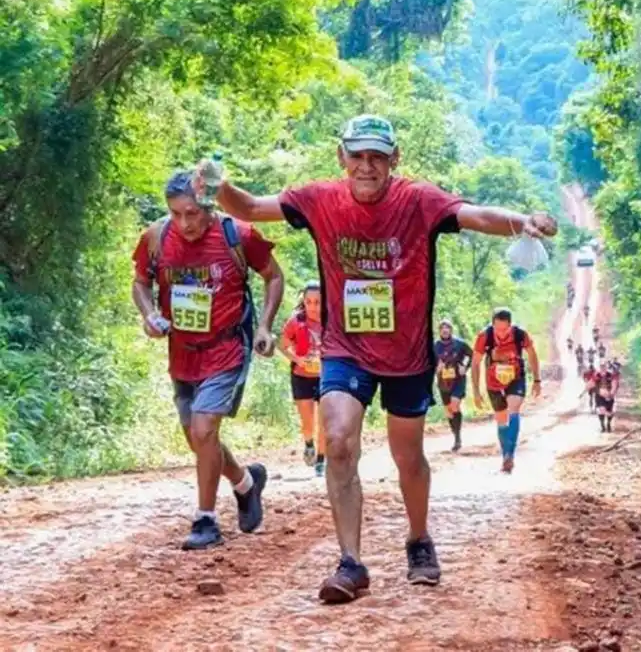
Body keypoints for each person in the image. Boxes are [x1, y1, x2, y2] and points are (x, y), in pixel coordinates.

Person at [200, 114, 557, 603]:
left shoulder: (417, 200)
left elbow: (475, 215)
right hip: (346, 349)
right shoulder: (319, 199)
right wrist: (218, 185)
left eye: (378, 157)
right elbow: (251, 207)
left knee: (407, 456)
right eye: (358, 155)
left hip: (407, 353)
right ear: (341, 157)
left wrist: (523, 221)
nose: (367, 166)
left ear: (394, 159)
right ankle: (350, 562)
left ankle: (418, 539)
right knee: (340, 440)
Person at [132, 171, 283, 550]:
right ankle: (247, 483)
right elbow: (140, 282)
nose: (185, 223)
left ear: (209, 207)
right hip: (183, 352)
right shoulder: (156, 237)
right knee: (198, 439)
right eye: (176, 213)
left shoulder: (238, 235)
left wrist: (265, 326)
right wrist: (149, 314)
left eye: (193, 213)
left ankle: (206, 520)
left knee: (203, 429)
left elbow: (273, 276)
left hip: (227, 347)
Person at [471, 308, 542, 474]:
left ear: (510, 325)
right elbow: (475, 363)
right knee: (501, 419)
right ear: (492, 325)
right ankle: (505, 456)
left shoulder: (520, 335)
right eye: (497, 329)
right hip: (493, 381)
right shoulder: (484, 336)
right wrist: (475, 390)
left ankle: (511, 453)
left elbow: (532, 354)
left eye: (504, 329)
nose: (501, 333)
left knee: (513, 408)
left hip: (515, 377)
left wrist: (537, 380)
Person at [281, 281, 326, 476]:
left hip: (326, 377)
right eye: (309, 302)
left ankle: (321, 460)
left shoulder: (331, 320)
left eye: (317, 302)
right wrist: (298, 359)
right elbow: (282, 345)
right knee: (308, 421)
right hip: (302, 376)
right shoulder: (296, 321)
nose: (313, 307)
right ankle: (309, 444)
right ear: (304, 302)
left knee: (324, 421)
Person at [433, 319, 473, 452]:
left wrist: (464, 366)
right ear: (439, 331)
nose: (445, 330)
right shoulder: (434, 346)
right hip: (443, 382)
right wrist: (436, 369)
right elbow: (427, 363)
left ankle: (458, 437)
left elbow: (470, 355)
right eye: (442, 328)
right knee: (449, 411)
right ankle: (456, 435)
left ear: (451, 330)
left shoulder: (460, 344)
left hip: (458, 380)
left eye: (447, 328)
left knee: (455, 404)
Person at [594, 361, 620, 432]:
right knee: (600, 410)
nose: (603, 368)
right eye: (601, 367)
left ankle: (608, 423)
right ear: (600, 367)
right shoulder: (596, 375)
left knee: (610, 410)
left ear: (606, 367)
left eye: (604, 366)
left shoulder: (611, 375)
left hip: (609, 395)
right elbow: (593, 384)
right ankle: (602, 425)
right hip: (599, 396)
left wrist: (612, 393)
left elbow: (615, 384)